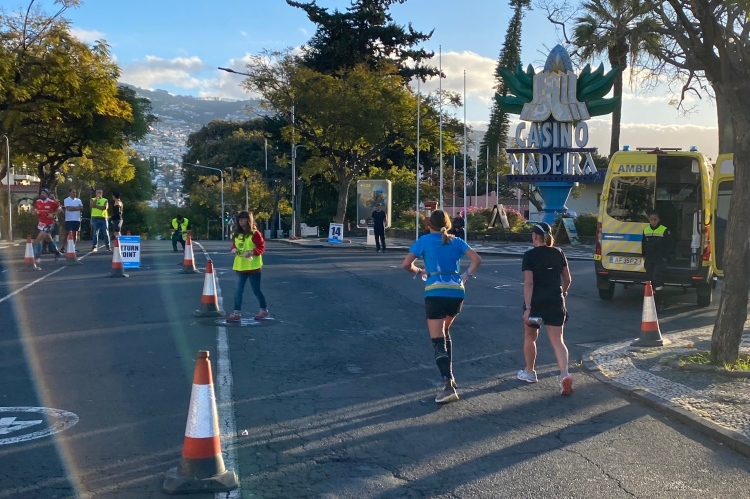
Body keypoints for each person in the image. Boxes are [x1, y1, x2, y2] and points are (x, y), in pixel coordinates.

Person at [402, 210, 482, 404]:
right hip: (456, 291)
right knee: (445, 332)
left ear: (429, 224)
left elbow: (406, 264)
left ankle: (447, 385)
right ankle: (450, 377)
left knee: (438, 339)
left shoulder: (424, 241)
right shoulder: (456, 241)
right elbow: (477, 259)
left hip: (435, 291)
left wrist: (419, 271)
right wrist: (466, 275)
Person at [517, 222, 573, 396]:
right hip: (555, 301)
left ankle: (530, 372)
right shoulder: (558, 253)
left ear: (535, 236)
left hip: (536, 302)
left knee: (530, 336)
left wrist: (527, 308)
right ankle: (564, 374)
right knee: (558, 340)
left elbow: (529, 282)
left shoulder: (529, 255)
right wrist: (562, 293)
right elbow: (567, 279)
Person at [227, 211, 269, 322]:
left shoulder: (255, 233)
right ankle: (237, 313)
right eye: (239, 219)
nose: (240, 221)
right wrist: (233, 249)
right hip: (240, 267)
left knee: (256, 290)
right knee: (238, 291)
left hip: (253, 267)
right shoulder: (237, 234)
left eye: (243, 218)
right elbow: (234, 246)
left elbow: (261, 247)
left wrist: (252, 252)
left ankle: (263, 310)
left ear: (248, 220)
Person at [641, 210, 674, 311]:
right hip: (649, 259)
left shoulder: (664, 230)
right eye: (651, 219)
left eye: (655, 220)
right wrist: (644, 255)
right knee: (649, 279)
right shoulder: (646, 230)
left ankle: (660, 301)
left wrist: (665, 257)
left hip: (660, 259)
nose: (653, 221)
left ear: (658, 220)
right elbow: (644, 244)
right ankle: (652, 300)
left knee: (657, 278)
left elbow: (669, 245)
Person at [32, 188, 62, 262]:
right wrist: (34, 212)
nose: (42, 194)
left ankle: (37, 256)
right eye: (41, 193)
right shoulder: (38, 202)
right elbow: (33, 211)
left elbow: (60, 209)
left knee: (39, 239)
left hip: (49, 223)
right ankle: (57, 252)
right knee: (48, 239)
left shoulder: (51, 202)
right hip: (41, 223)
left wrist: (53, 214)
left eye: (44, 193)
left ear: (47, 194)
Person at [90, 188, 111, 252]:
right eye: (97, 192)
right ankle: (94, 247)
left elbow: (105, 207)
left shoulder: (105, 200)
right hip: (95, 218)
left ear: (102, 193)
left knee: (106, 233)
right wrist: (96, 200)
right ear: (95, 193)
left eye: (100, 192)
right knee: (95, 233)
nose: (99, 194)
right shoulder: (93, 199)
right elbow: (92, 205)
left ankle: (108, 247)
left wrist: (96, 206)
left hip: (103, 218)